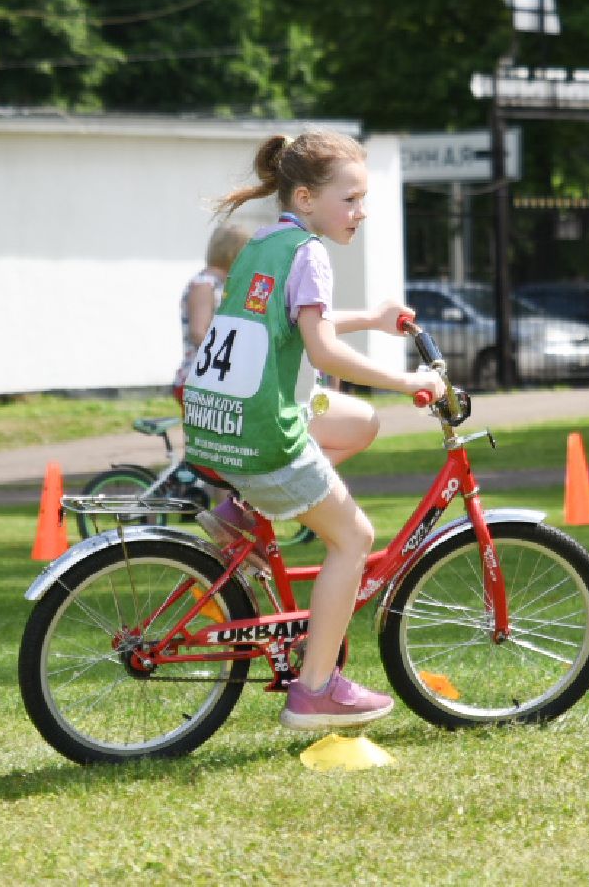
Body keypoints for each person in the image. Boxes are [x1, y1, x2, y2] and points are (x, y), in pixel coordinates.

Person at [181, 129, 445, 731]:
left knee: (361, 421)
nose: (361, 211)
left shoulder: (262, 245)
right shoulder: (311, 253)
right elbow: (321, 352)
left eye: (363, 198)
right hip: (263, 431)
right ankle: (317, 690)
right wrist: (408, 382)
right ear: (304, 198)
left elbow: (300, 323)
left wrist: (375, 319)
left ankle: (241, 509)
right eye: (349, 199)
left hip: (221, 418)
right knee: (353, 539)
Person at [173, 223, 252, 399]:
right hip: (200, 378)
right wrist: (232, 360)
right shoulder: (205, 284)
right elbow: (198, 332)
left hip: (217, 378)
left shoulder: (222, 284)